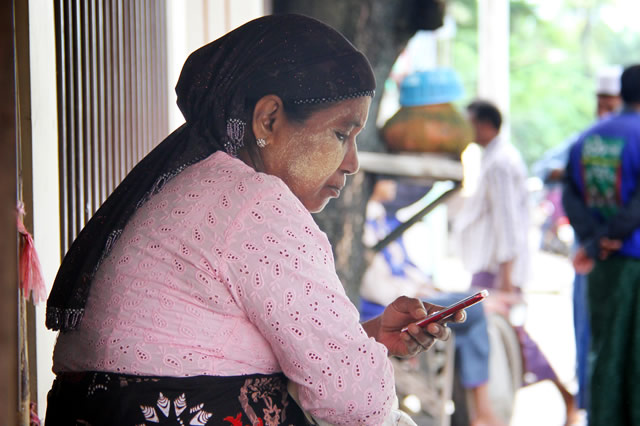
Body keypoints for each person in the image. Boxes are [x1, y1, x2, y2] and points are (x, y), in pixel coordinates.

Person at [44, 14, 462, 426]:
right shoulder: (256, 203)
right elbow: (357, 404)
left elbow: (208, 349)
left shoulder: (194, 188)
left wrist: (364, 340)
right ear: (269, 120)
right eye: (340, 134)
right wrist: (361, 365)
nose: (351, 163)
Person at [453, 100, 578, 425]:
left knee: (510, 338)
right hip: (492, 268)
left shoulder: (501, 162)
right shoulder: (494, 158)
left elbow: (507, 226)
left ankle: (563, 397)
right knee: (501, 338)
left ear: (483, 125)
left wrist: (506, 283)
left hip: (498, 272)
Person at [360, 178, 507, 426]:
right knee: (477, 310)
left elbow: (406, 266)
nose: (394, 186)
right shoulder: (367, 223)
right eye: (386, 179)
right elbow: (377, 285)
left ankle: (478, 413)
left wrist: (427, 286)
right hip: (392, 301)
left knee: (471, 326)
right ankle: (481, 411)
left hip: (413, 293)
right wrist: (416, 291)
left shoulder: (386, 219)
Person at [532, 65, 623, 415]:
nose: (606, 111)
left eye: (612, 104)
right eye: (601, 103)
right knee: (587, 336)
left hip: (623, 256)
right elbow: (547, 170)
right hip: (590, 255)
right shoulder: (586, 140)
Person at [562, 64, 640, 426]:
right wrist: (616, 235)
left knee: (602, 348)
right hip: (633, 262)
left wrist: (596, 241)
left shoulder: (588, 139)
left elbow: (570, 193)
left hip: (601, 265)